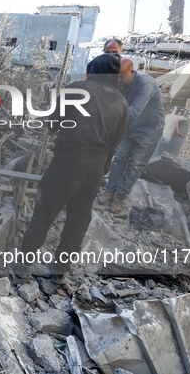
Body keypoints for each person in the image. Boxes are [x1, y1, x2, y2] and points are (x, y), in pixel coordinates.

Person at [12, 53, 129, 283]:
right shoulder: (122, 103)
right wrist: (101, 168)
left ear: (93, 69)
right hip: (94, 170)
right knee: (78, 221)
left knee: (44, 214)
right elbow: (115, 144)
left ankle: (22, 266)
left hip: (66, 163)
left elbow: (53, 125)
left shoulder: (77, 88)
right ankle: (59, 272)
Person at [97, 58, 166, 214]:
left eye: (122, 76)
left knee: (135, 165)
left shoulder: (145, 83)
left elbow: (134, 112)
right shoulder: (118, 83)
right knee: (119, 159)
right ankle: (110, 190)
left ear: (132, 72)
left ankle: (120, 197)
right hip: (129, 129)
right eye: (117, 77)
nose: (119, 80)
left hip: (149, 131)